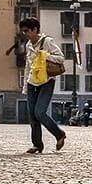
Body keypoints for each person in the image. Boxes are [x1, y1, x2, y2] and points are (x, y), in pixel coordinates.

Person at [18, 16, 68, 154]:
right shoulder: (28, 45)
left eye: (27, 30)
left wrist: (46, 56)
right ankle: (37, 145)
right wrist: (25, 87)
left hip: (46, 82)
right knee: (32, 116)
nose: (25, 34)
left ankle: (59, 134)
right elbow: (28, 66)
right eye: (23, 31)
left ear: (35, 30)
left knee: (39, 112)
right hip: (32, 82)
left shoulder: (47, 41)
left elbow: (61, 58)